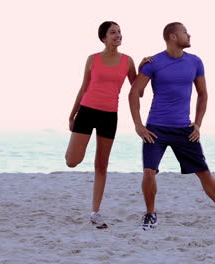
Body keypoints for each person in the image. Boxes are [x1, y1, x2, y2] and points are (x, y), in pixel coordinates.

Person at [128, 22, 215, 230]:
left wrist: (198, 124)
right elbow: (134, 92)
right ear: (172, 37)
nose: (189, 36)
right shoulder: (153, 62)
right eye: (184, 33)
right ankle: (150, 214)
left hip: (184, 130)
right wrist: (138, 125)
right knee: (148, 171)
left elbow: (203, 94)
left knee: (204, 172)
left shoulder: (195, 62)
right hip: (156, 129)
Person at [65, 21, 148, 229]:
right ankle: (76, 151)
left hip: (109, 116)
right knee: (72, 161)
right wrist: (72, 114)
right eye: (113, 32)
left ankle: (95, 212)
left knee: (101, 165)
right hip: (86, 111)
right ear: (104, 37)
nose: (118, 35)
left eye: (119, 32)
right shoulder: (92, 59)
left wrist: (141, 69)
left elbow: (138, 91)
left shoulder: (127, 61)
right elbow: (84, 87)